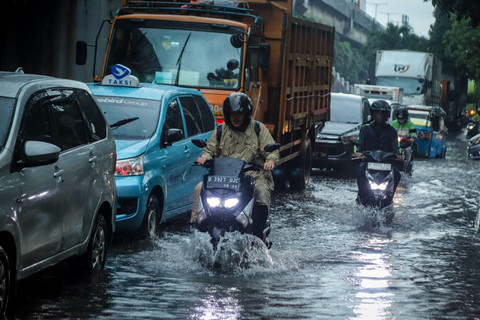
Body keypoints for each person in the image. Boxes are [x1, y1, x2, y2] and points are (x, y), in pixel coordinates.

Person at [190, 92, 280, 239]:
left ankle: (257, 235)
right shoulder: (220, 130)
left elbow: (271, 150)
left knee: (261, 194)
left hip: (252, 176)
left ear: (246, 114)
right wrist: (204, 157)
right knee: (199, 188)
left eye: (239, 113)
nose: (236, 117)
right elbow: (210, 149)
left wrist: (270, 161)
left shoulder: (258, 128)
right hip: (223, 176)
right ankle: (196, 225)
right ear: (227, 114)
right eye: (233, 114)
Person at [355, 100, 404, 203]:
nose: (380, 116)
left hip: (387, 164)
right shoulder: (365, 129)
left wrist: (399, 155)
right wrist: (359, 153)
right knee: (359, 171)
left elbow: (395, 147)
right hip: (368, 162)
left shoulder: (392, 131)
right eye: (377, 113)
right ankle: (361, 195)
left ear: (387, 115)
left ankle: (390, 197)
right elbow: (360, 145)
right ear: (372, 114)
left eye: (383, 113)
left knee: (397, 173)